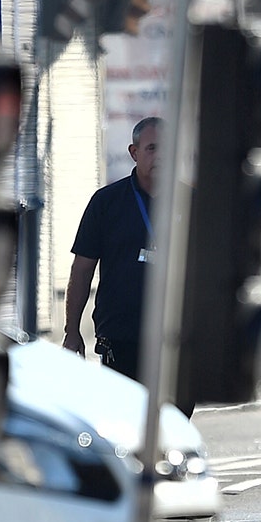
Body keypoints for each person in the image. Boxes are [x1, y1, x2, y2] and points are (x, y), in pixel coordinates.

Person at [63, 117, 161, 379]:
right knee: (128, 419)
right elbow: (82, 270)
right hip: (121, 338)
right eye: (152, 148)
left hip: (175, 339)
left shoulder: (191, 204)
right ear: (134, 152)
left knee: (174, 418)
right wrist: (72, 331)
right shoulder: (107, 203)